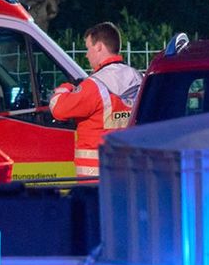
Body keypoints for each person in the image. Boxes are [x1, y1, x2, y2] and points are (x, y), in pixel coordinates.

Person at [49, 22, 143, 177]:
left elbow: (58, 109)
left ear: (99, 47)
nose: (86, 55)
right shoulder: (139, 79)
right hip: (129, 171)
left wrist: (66, 88)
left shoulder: (94, 86)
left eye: (88, 48)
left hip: (95, 177)